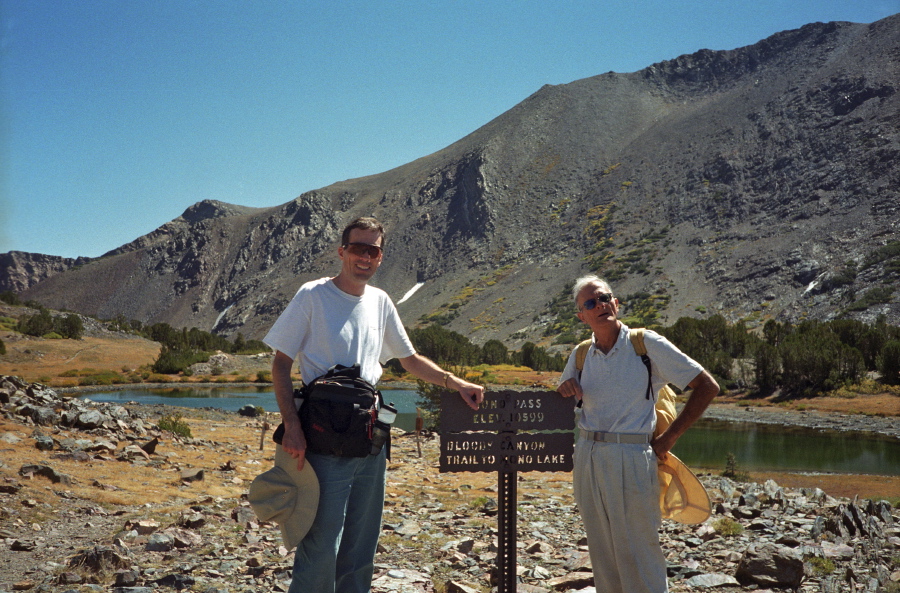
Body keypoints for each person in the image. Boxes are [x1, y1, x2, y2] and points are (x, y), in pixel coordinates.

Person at [263, 216, 484, 593]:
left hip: (370, 437)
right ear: (342, 252)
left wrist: (455, 382)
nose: (364, 257)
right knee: (321, 541)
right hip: (323, 435)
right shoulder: (313, 295)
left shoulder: (380, 302)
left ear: (380, 257)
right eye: (357, 248)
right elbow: (281, 365)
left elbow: (409, 359)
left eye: (373, 250)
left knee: (362, 540)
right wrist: (293, 429)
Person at [557, 275, 719, 593]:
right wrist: (564, 389)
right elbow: (563, 405)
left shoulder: (645, 344)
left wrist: (669, 439)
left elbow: (707, 386)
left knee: (638, 548)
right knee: (602, 549)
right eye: (590, 303)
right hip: (588, 455)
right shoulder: (580, 355)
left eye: (605, 298)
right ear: (581, 316)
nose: (600, 305)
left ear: (616, 303)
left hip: (631, 455)